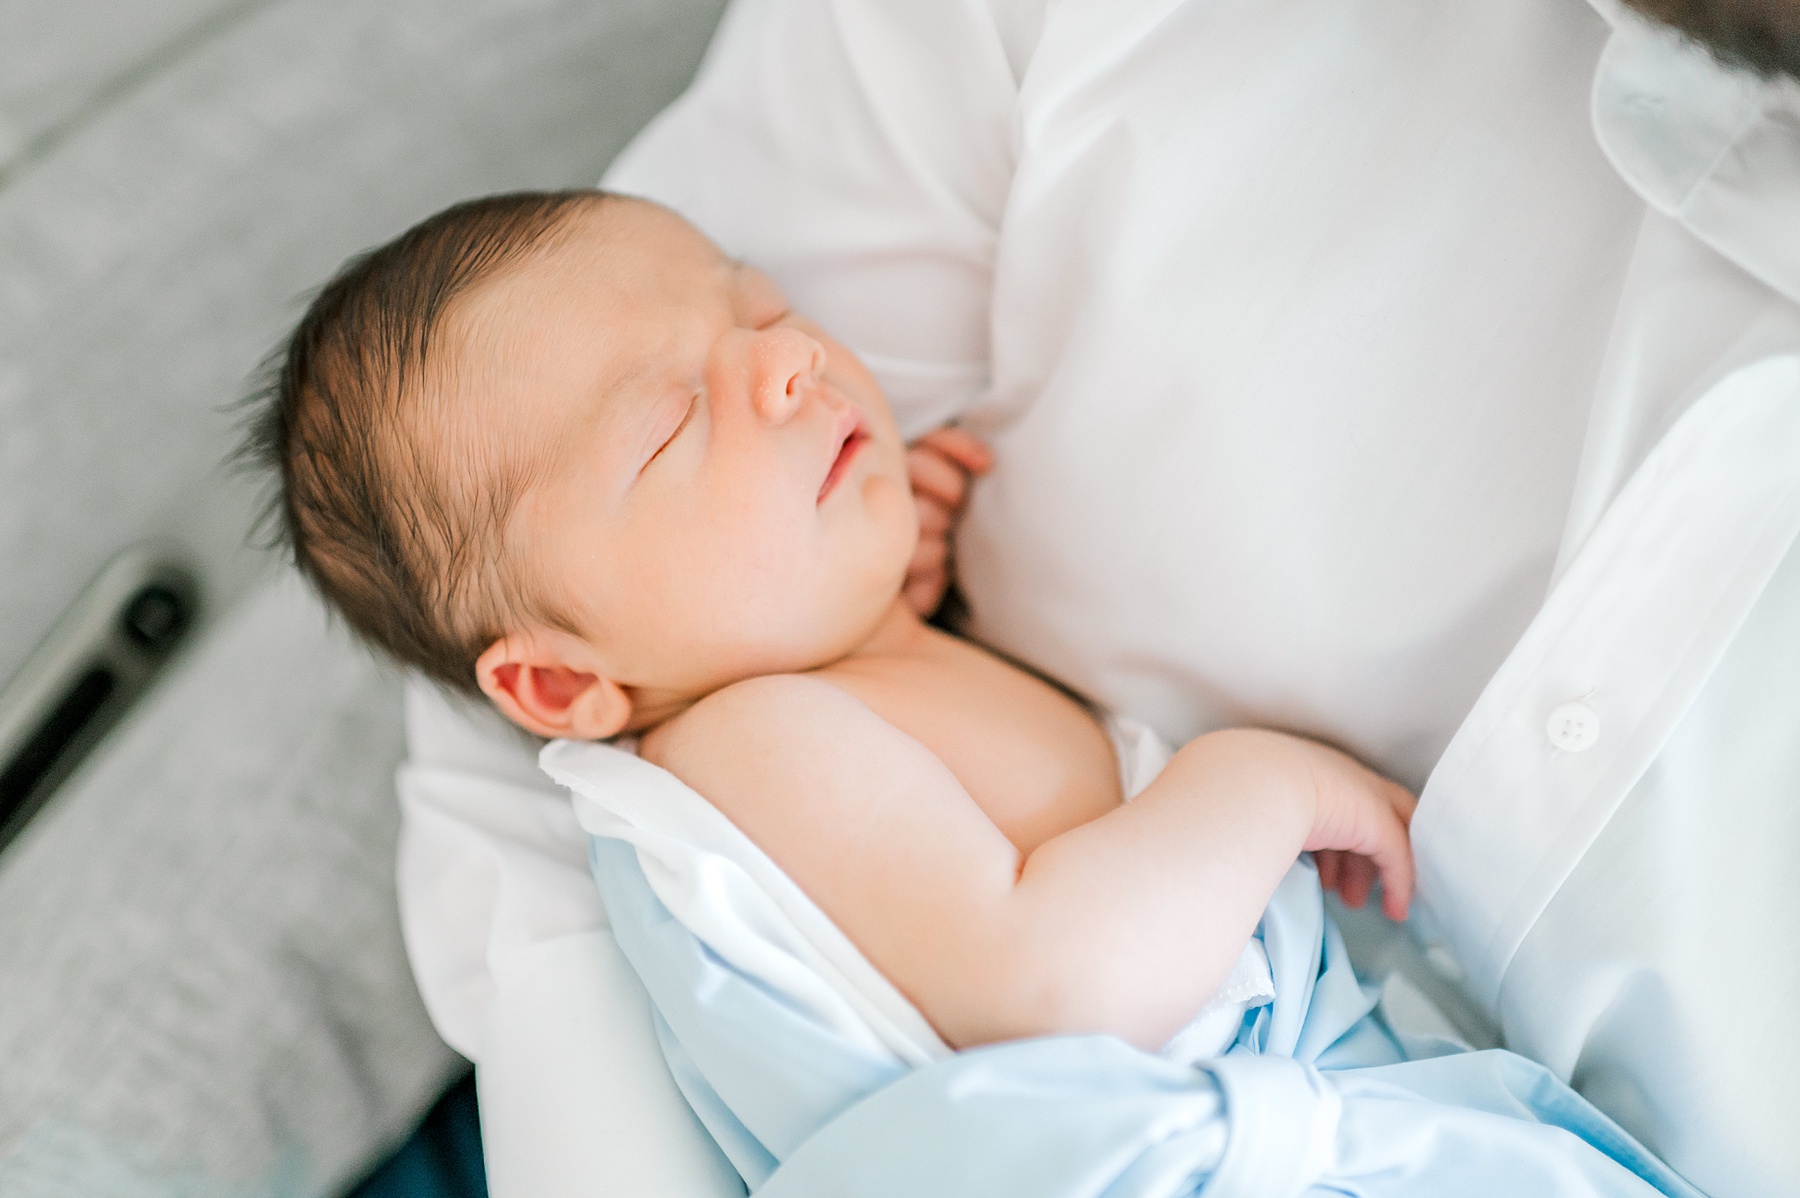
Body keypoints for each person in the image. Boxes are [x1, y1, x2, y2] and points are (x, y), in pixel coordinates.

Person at [392, 1, 1800, 1195]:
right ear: (561, 689)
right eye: (672, 429)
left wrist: (888, 594)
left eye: (764, 314)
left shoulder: (815, 687)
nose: (785, 366)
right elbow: (1047, 989)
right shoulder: (745, 742)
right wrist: (1254, 788)